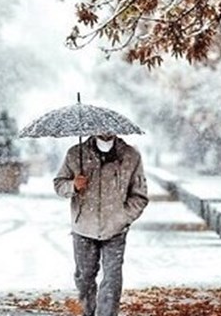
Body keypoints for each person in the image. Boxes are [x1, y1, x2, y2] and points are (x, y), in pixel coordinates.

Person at [54, 134, 149, 316]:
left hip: (115, 229)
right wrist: (73, 185)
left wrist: (123, 216)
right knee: (84, 278)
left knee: (112, 279)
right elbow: (59, 184)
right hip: (83, 227)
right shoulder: (75, 154)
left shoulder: (131, 156)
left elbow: (140, 195)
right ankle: (88, 312)